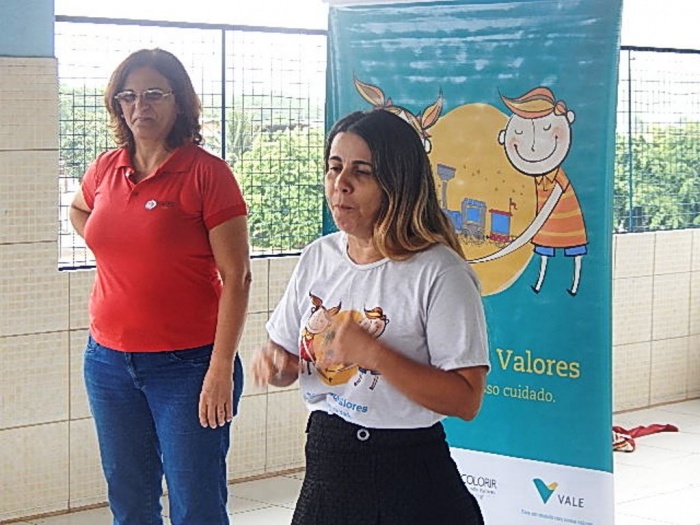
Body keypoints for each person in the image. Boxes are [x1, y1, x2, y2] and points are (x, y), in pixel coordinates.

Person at [251, 109, 490, 524]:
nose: (340, 184)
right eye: (334, 167)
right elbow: (285, 356)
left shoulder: (439, 272)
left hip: (409, 477)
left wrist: (374, 354)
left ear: (397, 184)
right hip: (328, 464)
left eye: (361, 172)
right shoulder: (319, 256)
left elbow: (466, 399)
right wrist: (277, 365)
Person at [69, 48, 251, 525]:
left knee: (196, 506)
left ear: (178, 101)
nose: (139, 106)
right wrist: (119, 253)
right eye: (128, 96)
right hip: (107, 363)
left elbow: (238, 277)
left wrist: (219, 370)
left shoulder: (207, 173)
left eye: (153, 94)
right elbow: (79, 210)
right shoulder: (106, 168)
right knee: (129, 501)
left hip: (188, 367)